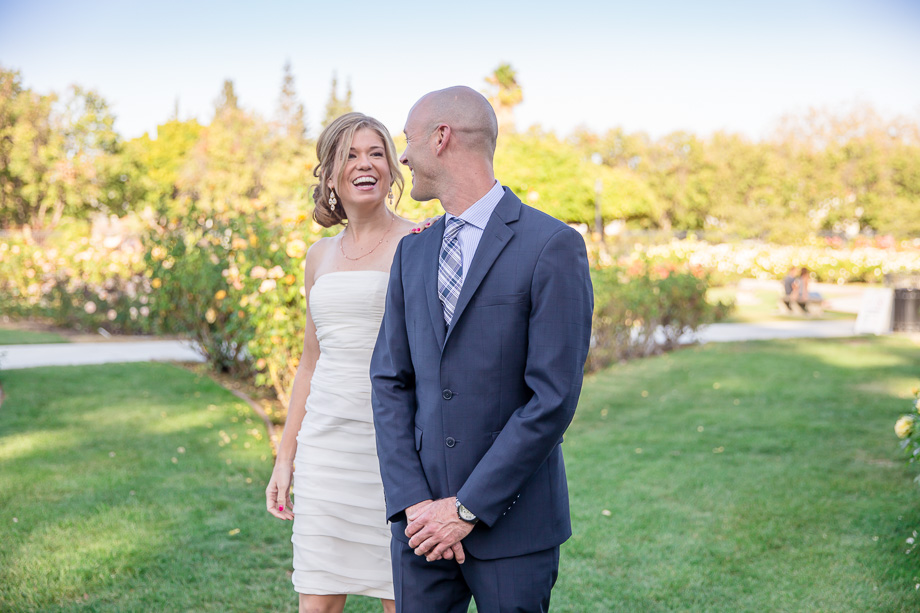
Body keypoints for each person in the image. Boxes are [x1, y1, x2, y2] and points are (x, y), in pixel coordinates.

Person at [370, 86, 594, 613]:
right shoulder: (413, 252)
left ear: (441, 138)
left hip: (515, 529)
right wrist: (415, 504)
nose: (402, 156)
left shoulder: (551, 245)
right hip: (422, 531)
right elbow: (390, 381)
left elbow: (552, 398)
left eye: (408, 140)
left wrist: (467, 508)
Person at [265, 112, 421, 613]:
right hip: (325, 450)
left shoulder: (419, 241)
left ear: (392, 169)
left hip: (394, 448)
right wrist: (285, 458)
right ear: (330, 173)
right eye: (351, 154)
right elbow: (310, 362)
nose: (365, 163)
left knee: (401, 597)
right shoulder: (318, 256)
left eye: (376, 152)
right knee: (317, 602)